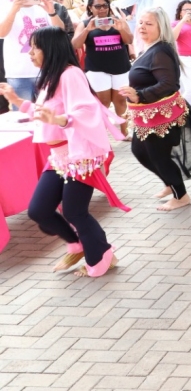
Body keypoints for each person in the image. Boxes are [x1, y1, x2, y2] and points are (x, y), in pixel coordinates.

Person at [0, 27, 129, 277]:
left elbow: (85, 111)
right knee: (39, 209)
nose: (31, 53)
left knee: (74, 211)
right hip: (59, 157)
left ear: (50, 49)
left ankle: (100, 255)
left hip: (79, 156)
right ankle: (79, 245)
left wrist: (60, 120)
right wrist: (16, 100)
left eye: (35, 48)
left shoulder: (70, 75)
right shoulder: (51, 77)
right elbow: (45, 115)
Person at [120, 8, 191, 211]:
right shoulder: (149, 47)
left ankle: (181, 196)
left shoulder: (160, 51)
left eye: (149, 24)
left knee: (158, 155)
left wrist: (139, 95)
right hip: (149, 115)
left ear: (161, 28)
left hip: (163, 115)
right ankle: (170, 184)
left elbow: (169, 84)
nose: (142, 26)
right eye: (141, 22)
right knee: (139, 150)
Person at [71, 0, 133, 137]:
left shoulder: (118, 21)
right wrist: (88, 30)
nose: (102, 9)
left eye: (105, 5)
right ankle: (100, 133)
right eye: (97, 6)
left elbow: (129, 40)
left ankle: (125, 131)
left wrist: (121, 28)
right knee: (103, 102)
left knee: (120, 100)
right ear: (90, 8)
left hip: (120, 67)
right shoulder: (85, 24)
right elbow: (75, 44)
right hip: (96, 68)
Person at [0, 0, 66, 104]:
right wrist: (14, 10)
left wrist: (51, 11)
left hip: (46, 70)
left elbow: (60, 31)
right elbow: (2, 33)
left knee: (49, 111)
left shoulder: (42, 7)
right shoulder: (5, 8)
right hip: (19, 73)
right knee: (23, 116)